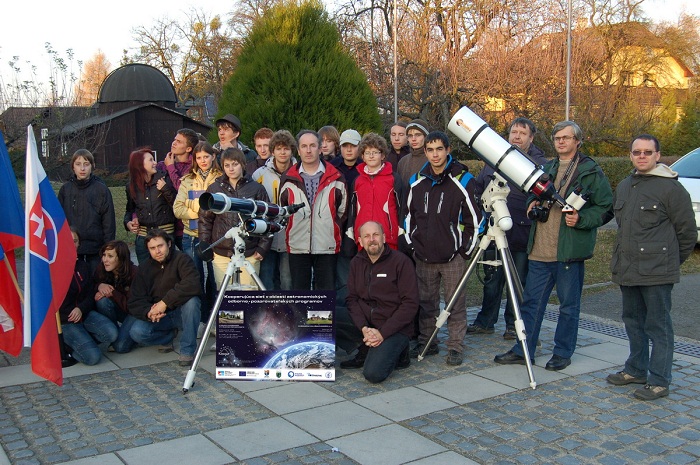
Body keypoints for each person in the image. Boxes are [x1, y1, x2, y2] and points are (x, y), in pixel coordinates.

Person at [495, 121, 614, 371]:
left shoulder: (590, 171)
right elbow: (533, 192)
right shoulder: (547, 167)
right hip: (539, 249)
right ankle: (523, 348)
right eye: (557, 138)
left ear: (577, 141)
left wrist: (582, 220)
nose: (561, 141)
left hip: (568, 252)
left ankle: (562, 352)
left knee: (568, 307)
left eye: (566, 138)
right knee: (531, 303)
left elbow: (606, 208)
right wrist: (530, 203)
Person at [606, 134, 696, 400]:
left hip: (657, 272)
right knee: (633, 322)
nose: (642, 156)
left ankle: (659, 380)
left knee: (658, 326)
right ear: (631, 155)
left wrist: (668, 263)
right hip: (629, 268)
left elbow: (687, 233)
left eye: (647, 152)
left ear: (658, 155)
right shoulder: (624, 185)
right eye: (637, 152)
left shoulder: (671, 189)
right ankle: (636, 369)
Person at [404, 131, 482, 366]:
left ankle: (456, 346)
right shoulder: (416, 180)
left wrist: (464, 251)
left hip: (452, 257)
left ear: (448, 150)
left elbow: (476, 220)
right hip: (424, 256)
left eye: (439, 149)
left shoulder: (464, 179)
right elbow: (408, 217)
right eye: (430, 150)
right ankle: (428, 342)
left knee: (454, 304)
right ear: (425, 152)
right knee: (426, 304)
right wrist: (412, 244)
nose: (435, 154)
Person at [468, 117, 548, 339]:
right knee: (493, 280)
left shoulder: (538, 163)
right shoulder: (494, 158)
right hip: (495, 229)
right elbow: (481, 184)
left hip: (521, 231)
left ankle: (514, 324)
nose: (517, 136)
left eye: (523, 133)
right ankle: (486, 321)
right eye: (514, 132)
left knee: (517, 280)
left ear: (531, 138)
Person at [337, 221, 419, 383]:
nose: (372, 239)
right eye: (366, 236)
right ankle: (365, 347)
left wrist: (382, 333)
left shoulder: (401, 262)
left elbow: (410, 304)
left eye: (375, 235)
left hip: (394, 327)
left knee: (373, 374)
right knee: (321, 316)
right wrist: (364, 328)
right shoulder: (356, 263)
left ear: (384, 237)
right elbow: (352, 299)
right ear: (360, 240)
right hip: (367, 323)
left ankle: (400, 351)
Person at [119, 229, 201, 366]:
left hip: (181, 312)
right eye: (152, 248)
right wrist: (148, 312)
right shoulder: (144, 268)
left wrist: (164, 302)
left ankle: (187, 350)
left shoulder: (182, 259)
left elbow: (192, 284)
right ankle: (167, 337)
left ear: (169, 244)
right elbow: (135, 299)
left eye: (160, 246)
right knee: (137, 332)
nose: (157, 251)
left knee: (193, 302)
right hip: (159, 315)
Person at [279, 129, 347, 291]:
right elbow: (283, 210)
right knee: (299, 291)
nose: (308, 150)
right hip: (298, 243)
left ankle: (323, 318)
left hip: (326, 244)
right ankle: (301, 317)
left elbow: (343, 212)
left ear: (319, 148)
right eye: (304, 146)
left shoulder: (336, 176)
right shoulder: (288, 177)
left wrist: (329, 227)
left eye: (312, 146)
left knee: (325, 292)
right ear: (298, 149)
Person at [199, 148, 271, 289]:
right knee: (225, 297)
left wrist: (263, 248)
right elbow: (205, 219)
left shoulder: (257, 189)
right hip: (221, 253)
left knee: (248, 298)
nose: (231, 169)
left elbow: (267, 218)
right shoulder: (214, 189)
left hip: (249, 252)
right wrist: (206, 245)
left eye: (235, 164)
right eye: (227, 165)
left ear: (243, 164)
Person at [173, 141, 222, 332]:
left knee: (215, 280)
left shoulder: (220, 179)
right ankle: (201, 321)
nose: (203, 161)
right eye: (199, 157)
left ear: (213, 157)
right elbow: (178, 209)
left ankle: (214, 318)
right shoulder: (187, 180)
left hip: (213, 236)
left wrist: (195, 206)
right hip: (191, 236)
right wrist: (200, 209)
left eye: (206, 157)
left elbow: (221, 208)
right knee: (195, 279)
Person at [60, 229, 118, 366]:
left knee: (112, 333)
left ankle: (83, 339)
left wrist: (80, 308)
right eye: (68, 240)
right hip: (66, 320)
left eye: (75, 241)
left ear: (79, 244)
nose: (71, 244)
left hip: (84, 314)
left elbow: (90, 293)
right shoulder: (55, 268)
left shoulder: (82, 266)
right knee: (93, 358)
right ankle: (66, 346)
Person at [252, 130, 297, 291]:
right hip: (266, 238)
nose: (282, 152)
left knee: (287, 281)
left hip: (290, 238)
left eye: (286, 148)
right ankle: (267, 315)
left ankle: (287, 314)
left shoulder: (298, 173)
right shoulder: (260, 174)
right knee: (265, 280)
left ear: (292, 150)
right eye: (278, 148)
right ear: (273, 151)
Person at [58, 149, 116, 275]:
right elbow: (59, 221)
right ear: (73, 167)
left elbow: (109, 222)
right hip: (72, 249)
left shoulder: (101, 190)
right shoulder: (65, 190)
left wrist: (108, 249)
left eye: (86, 164)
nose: (82, 168)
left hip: (95, 250)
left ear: (92, 166)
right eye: (78, 164)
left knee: (95, 284)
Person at [347, 133, 403, 251]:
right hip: (363, 240)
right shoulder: (357, 181)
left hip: (388, 239)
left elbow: (401, 209)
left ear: (382, 155)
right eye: (367, 153)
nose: (371, 156)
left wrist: (400, 235)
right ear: (362, 156)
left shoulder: (393, 178)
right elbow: (352, 212)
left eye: (375, 152)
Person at [124, 147, 177, 265]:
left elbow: (177, 205)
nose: (155, 163)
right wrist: (128, 223)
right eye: (151, 160)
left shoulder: (164, 179)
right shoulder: (131, 186)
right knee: (146, 275)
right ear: (140, 165)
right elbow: (130, 210)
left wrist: (165, 190)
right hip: (143, 238)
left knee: (167, 274)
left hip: (165, 235)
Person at [331, 129, 363, 303]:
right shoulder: (332, 168)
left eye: (353, 146)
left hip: (359, 224)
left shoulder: (366, 167)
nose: (349, 150)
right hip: (336, 225)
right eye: (345, 146)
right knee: (338, 274)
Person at [157, 128, 198, 250]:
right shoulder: (162, 165)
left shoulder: (193, 167)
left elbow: (183, 190)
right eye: (174, 139)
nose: (174, 143)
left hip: (184, 227)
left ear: (188, 149)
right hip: (166, 224)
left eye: (179, 141)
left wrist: (171, 167)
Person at [94, 240, 138, 326]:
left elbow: (132, 305)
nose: (105, 260)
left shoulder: (134, 273)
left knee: (122, 340)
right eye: (104, 255)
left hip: (134, 313)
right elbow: (91, 284)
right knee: (102, 302)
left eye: (110, 256)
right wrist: (99, 286)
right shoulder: (102, 268)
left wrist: (112, 293)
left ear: (121, 258)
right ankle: (113, 329)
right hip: (117, 308)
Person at [396, 119, 430, 188]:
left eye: (417, 135)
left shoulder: (432, 159)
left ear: (425, 136)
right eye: (410, 135)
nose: (413, 139)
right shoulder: (403, 161)